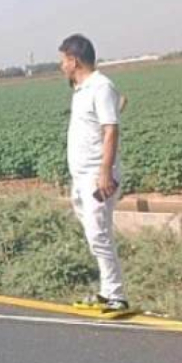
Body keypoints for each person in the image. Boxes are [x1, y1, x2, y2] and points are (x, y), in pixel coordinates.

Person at [59, 34, 129, 312]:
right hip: (81, 176)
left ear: (73, 60)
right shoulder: (83, 88)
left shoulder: (100, 86)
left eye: (63, 60)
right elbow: (116, 107)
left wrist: (105, 172)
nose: (61, 66)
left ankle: (117, 295)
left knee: (99, 234)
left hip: (96, 176)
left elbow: (111, 130)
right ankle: (107, 290)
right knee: (94, 233)